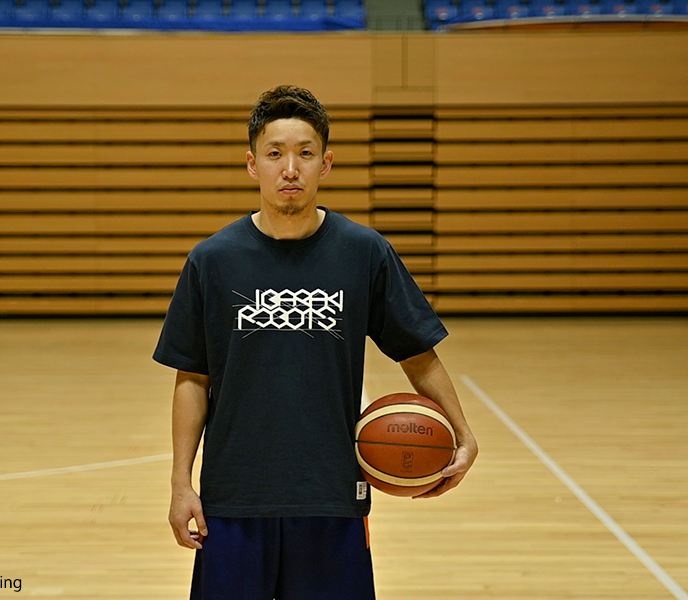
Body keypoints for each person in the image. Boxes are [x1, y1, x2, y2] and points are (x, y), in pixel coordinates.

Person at [153, 84, 478, 600]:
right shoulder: (212, 261)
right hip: (234, 499)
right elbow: (192, 377)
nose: (290, 169)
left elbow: (418, 354)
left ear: (325, 164)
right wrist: (180, 484)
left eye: (305, 154)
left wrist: (463, 433)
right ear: (252, 164)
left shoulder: (364, 253)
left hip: (331, 495)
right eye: (274, 154)